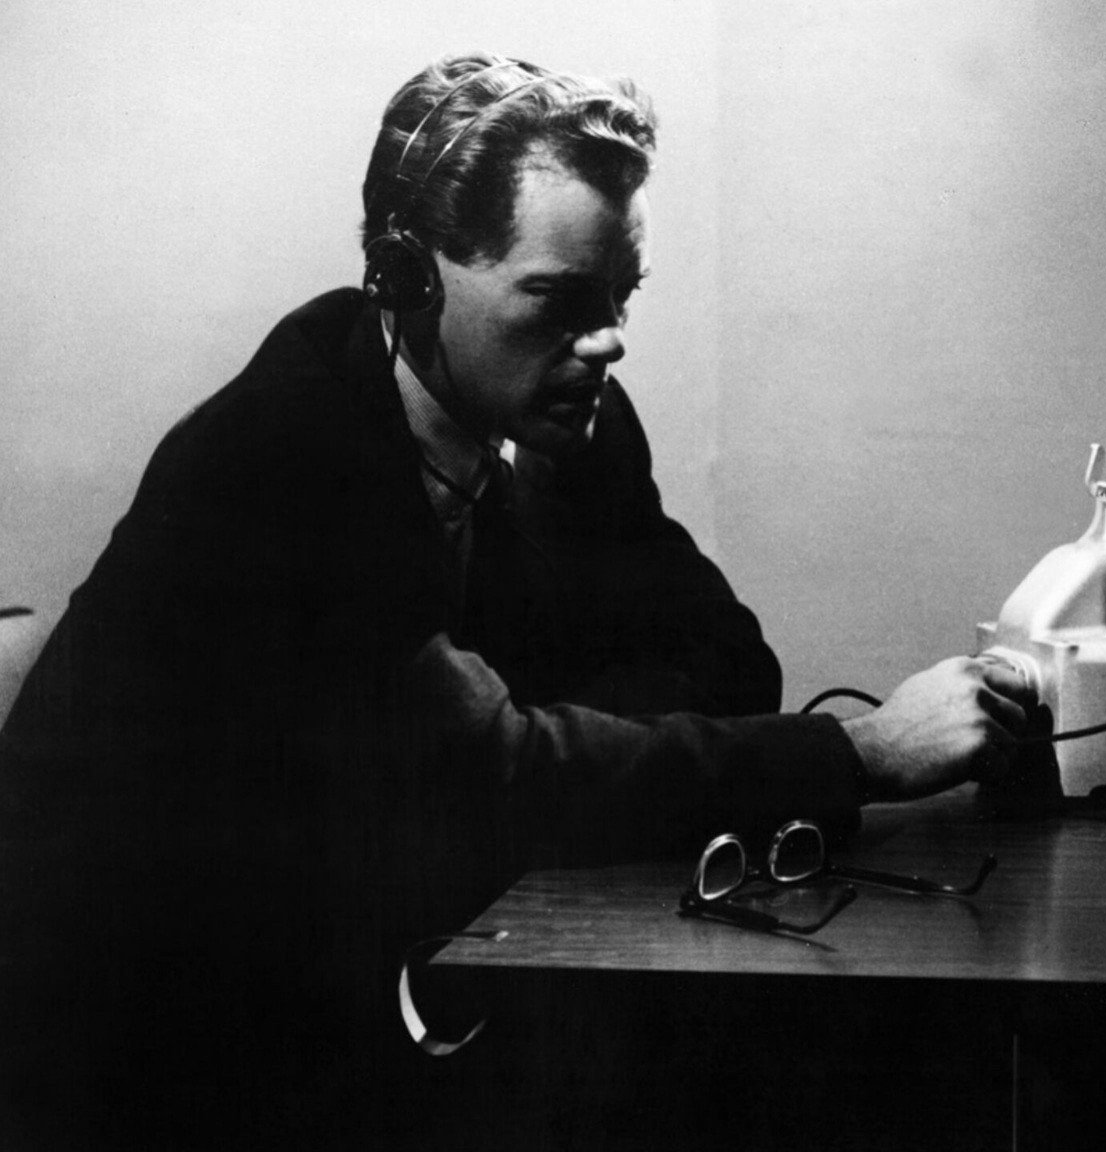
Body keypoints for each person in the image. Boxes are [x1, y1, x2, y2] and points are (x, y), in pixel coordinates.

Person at [0, 52, 1030, 1147]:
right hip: (137, 1040)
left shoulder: (566, 422)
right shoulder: (282, 456)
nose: (607, 340)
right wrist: (860, 755)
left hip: (381, 967)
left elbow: (730, 660)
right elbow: (496, 780)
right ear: (407, 276)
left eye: (621, 296)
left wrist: (540, 740)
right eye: (560, 300)